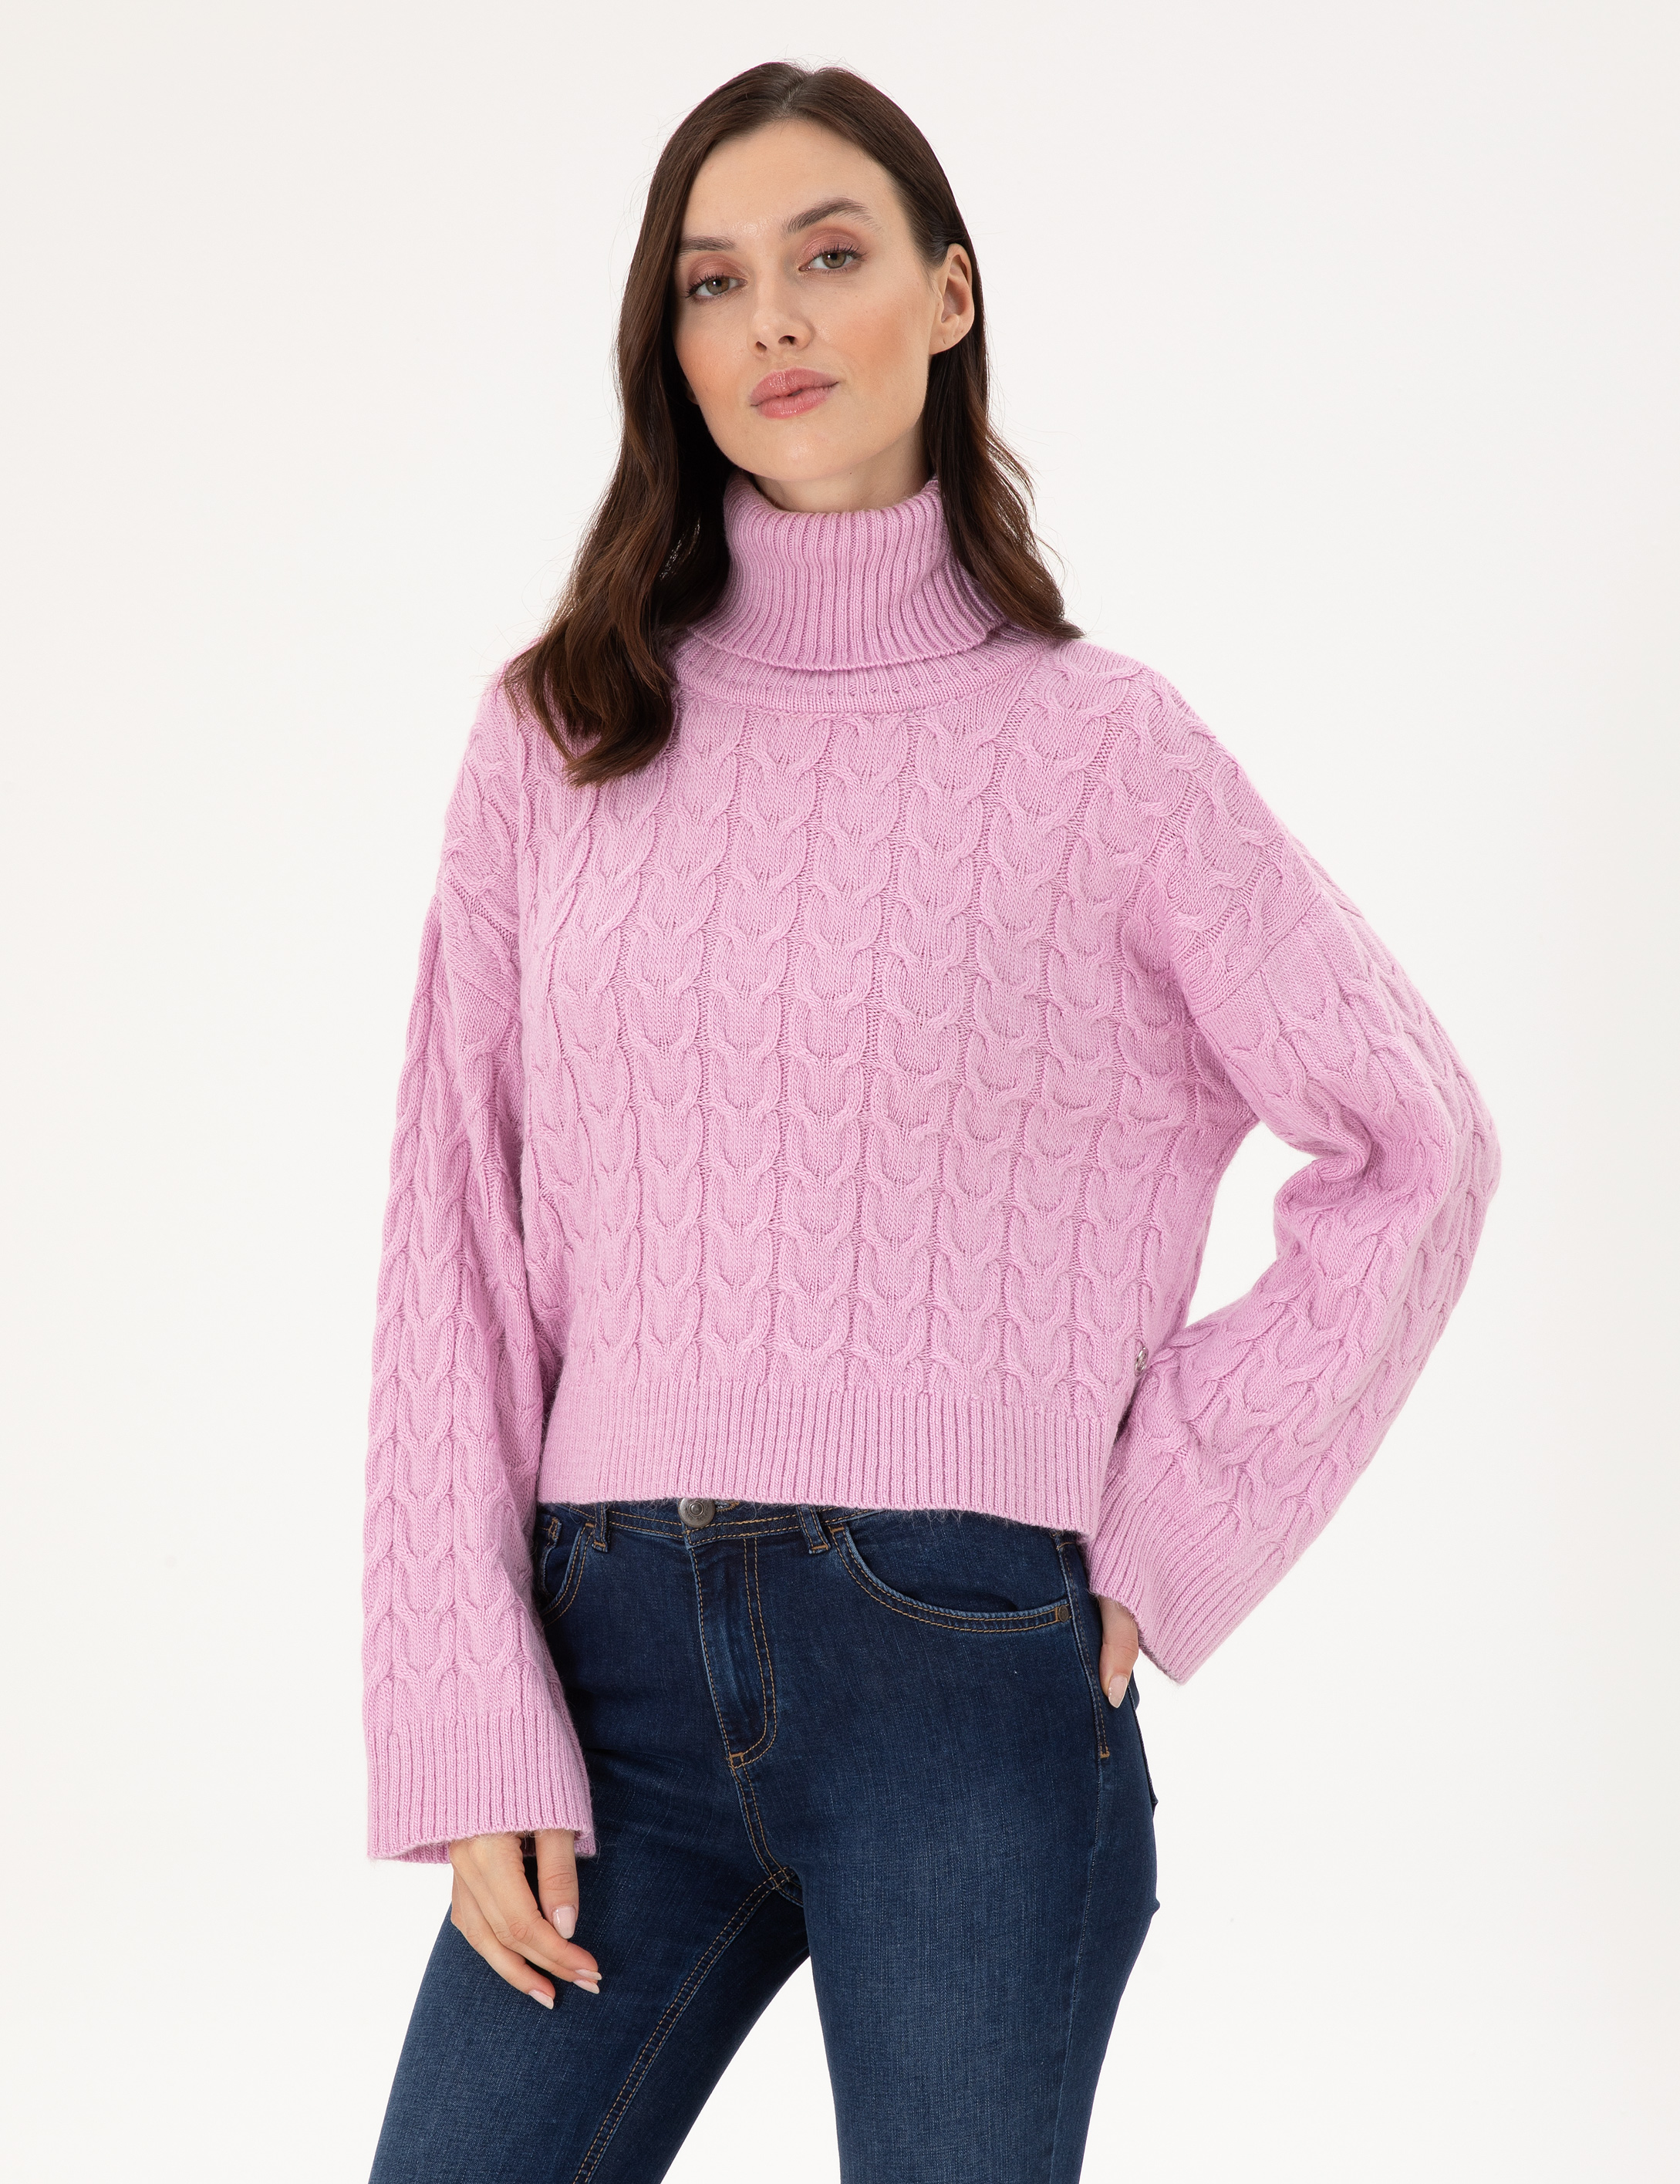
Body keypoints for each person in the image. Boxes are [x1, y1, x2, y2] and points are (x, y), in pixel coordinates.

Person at [362, 59, 1499, 2184]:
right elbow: (451, 1226)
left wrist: (1170, 1519)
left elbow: (1414, 1138)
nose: (772, 319)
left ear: (948, 296)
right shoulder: (559, 733)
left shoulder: (1103, 751)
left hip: (964, 1674)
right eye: (713, 282)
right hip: (606, 1673)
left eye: (828, 256)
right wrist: (462, 1714)